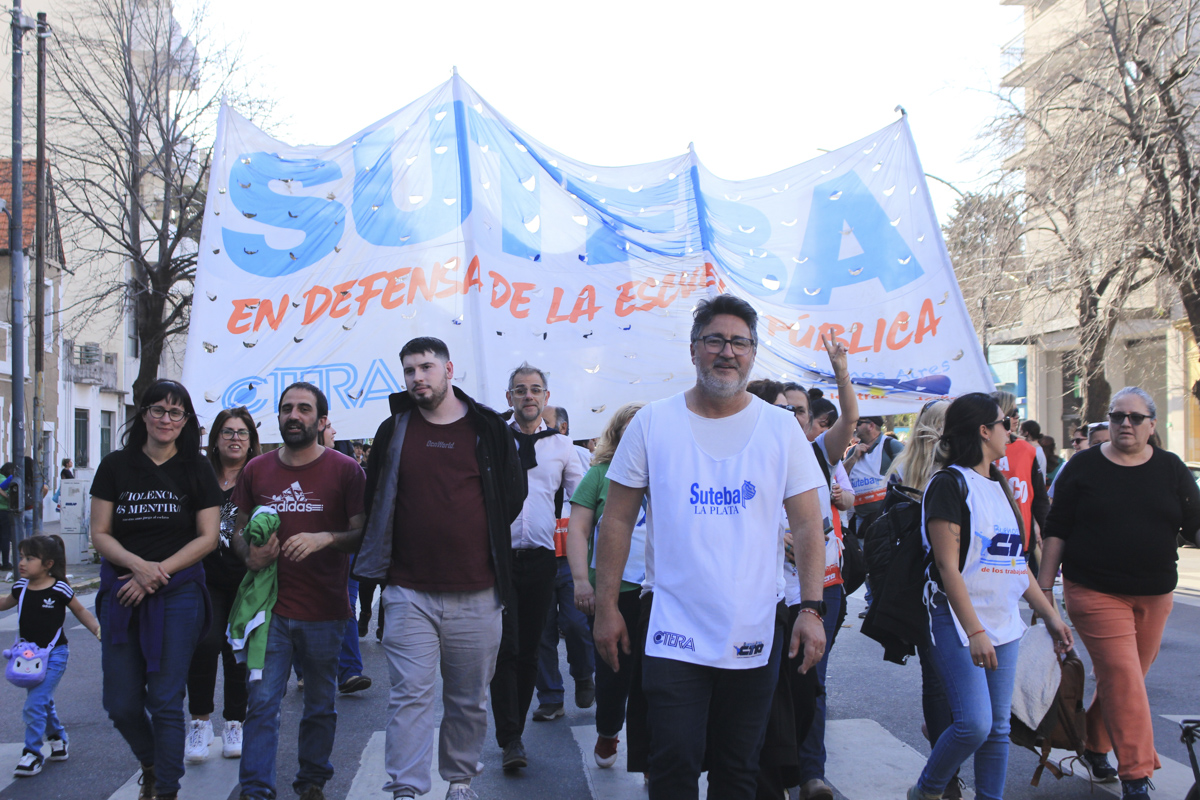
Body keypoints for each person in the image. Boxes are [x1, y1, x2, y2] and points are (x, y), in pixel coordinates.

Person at [593, 294, 828, 800]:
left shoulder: (780, 428)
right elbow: (616, 520)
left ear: (753, 352)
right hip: (672, 626)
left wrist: (811, 609)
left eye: (739, 342)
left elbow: (809, 525)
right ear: (694, 348)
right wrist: (607, 607)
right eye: (715, 340)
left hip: (755, 626)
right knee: (673, 761)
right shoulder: (652, 422)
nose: (727, 352)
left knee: (739, 768)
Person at [353, 336, 526, 800]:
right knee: (409, 695)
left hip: (478, 590)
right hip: (408, 590)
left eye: (426, 367)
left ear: (449, 370)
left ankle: (459, 781)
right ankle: (406, 789)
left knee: (468, 699)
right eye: (409, 370)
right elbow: (375, 497)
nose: (417, 378)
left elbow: (512, 495)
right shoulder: (395, 429)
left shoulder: (487, 427)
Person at [1038, 386, 1200, 800]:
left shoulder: (1171, 468)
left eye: (1135, 417)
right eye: (1116, 416)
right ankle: (1136, 775)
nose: (1125, 423)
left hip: (1154, 593)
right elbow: (1057, 528)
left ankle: (1095, 744)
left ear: (1152, 425)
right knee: (1125, 678)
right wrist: (1044, 590)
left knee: (1125, 680)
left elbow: (1195, 524)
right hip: (1094, 590)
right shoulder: (1083, 466)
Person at [909, 393, 1072, 800]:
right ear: (984, 431)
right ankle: (926, 790)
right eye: (1005, 423)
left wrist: (1052, 617)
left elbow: (1015, 564)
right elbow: (947, 567)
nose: (1011, 431)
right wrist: (975, 631)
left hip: (1003, 619)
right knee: (974, 724)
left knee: (998, 728)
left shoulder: (999, 484)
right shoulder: (948, 484)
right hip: (956, 619)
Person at [90, 379, 224, 800]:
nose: (166, 419)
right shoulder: (115, 466)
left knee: (165, 700)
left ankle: (166, 788)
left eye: (175, 412)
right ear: (143, 414)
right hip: (122, 591)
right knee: (121, 704)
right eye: (158, 410)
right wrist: (137, 567)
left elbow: (208, 537)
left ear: (186, 421)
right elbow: (100, 532)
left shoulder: (197, 468)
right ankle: (150, 761)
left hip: (178, 592)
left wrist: (157, 572)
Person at [234, 382, 366, 800]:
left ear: (322, 420)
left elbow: (362, 532)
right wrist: (249, 555)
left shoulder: (346, 470)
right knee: (262, 703)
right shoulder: (256, 469)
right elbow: (237, 528)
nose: (294, 415)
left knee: (320, 705)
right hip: (269, 609)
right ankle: (256, 788)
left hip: (325, 609)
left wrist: (326, 538)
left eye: (304, 409)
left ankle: (311, 781)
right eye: (287, 408)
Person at [491, 362, 585, 770]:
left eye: (535, 389)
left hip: (543, 559)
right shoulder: (493, 440)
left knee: (529, 648)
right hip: (499, 559)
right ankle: (510, 738)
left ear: (546, 397)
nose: (527, 395)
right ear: (509, 397)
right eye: (520, 389)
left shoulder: (563, 447)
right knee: (505, 648)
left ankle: (516, 731)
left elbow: (583, 501)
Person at [566, 402, 647, 768]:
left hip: (659, 594)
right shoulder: (599, 475)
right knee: (615, 671)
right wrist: (581, 581)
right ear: (617, 434)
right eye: (630, 429)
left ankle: (648, 754)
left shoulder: (669, 473)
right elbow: (578, 530)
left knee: (654, 677)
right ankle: (609, 728)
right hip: (613, 595)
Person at [185, 408, 261, 763]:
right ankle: (200, 722)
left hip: (245, 579)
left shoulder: (259, 476)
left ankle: (234, 722)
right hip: (203, 576)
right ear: (215, 439)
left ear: (251, 440)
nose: (235, 439)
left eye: (242, 433)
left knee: (236, 651)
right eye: (227, 432)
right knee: (204, 644)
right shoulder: (198, 474)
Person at [1, 534, 100, 777]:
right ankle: (57, 737)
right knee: (41, 700)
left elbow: (80, 611)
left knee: (34, 704)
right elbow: (4, 603)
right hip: (28, 658)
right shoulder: (20, 587)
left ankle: (32, 753)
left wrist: (99, 632)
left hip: (55, 654)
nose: (22, 562)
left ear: (48, 564)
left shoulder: (59, 588)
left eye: (29, 558)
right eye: (21, 557)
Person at [532, 405, 596, 723]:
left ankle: (584, 675)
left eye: (545, 423)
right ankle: (550, 697)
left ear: (563, 428)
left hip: (572, 560)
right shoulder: (525, 455)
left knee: (576, 623)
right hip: (538, 559)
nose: (538, 427)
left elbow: (591, 503)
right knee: (541, 632)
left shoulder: (580, 456)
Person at [989, 392, 1048, 560]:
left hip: (1022, 541)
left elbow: (1039, 498)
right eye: (1012, 412)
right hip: (989, 539)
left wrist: (1048, 534)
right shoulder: (982, 448)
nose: (1016, 416)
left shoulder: (1026, 449)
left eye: (1017, 412)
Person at [0, 462, 14, 572]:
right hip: (4, 511)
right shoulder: (5, 480)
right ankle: (5, 563)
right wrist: (9, 498)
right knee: (5, 537)